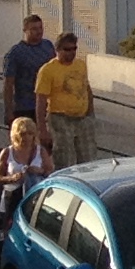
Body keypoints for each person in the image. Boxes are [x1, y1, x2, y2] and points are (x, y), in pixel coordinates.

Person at [37, 32, 94, 169]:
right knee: (65, 157)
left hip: (82, 117)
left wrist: (90, 112)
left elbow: (86, 88)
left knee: (88, 158)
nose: (71, 53)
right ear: (58, 50)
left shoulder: (80, 65)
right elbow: (41, 100)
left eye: (74, 49)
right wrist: (42, 129)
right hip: (60, 117)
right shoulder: (48, 70)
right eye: (67, 49)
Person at [0, 13, 55, 134]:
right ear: (25, 30)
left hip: (48, 106)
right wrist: (8, 111)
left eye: (40, 28)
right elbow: (8, 84)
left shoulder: (48, 46)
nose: (39, 31)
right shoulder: (15, 53)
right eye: (34, 29)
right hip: (24, 106)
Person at [0, 116, 52, 222]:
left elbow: (50, 173)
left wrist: (39, 171)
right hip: (11, 198)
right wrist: (11, 178)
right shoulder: (7, 152)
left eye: (30, 133)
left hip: (34, 197)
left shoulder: (41, 151)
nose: (27, 138)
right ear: (16, 135)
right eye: (23, 134)